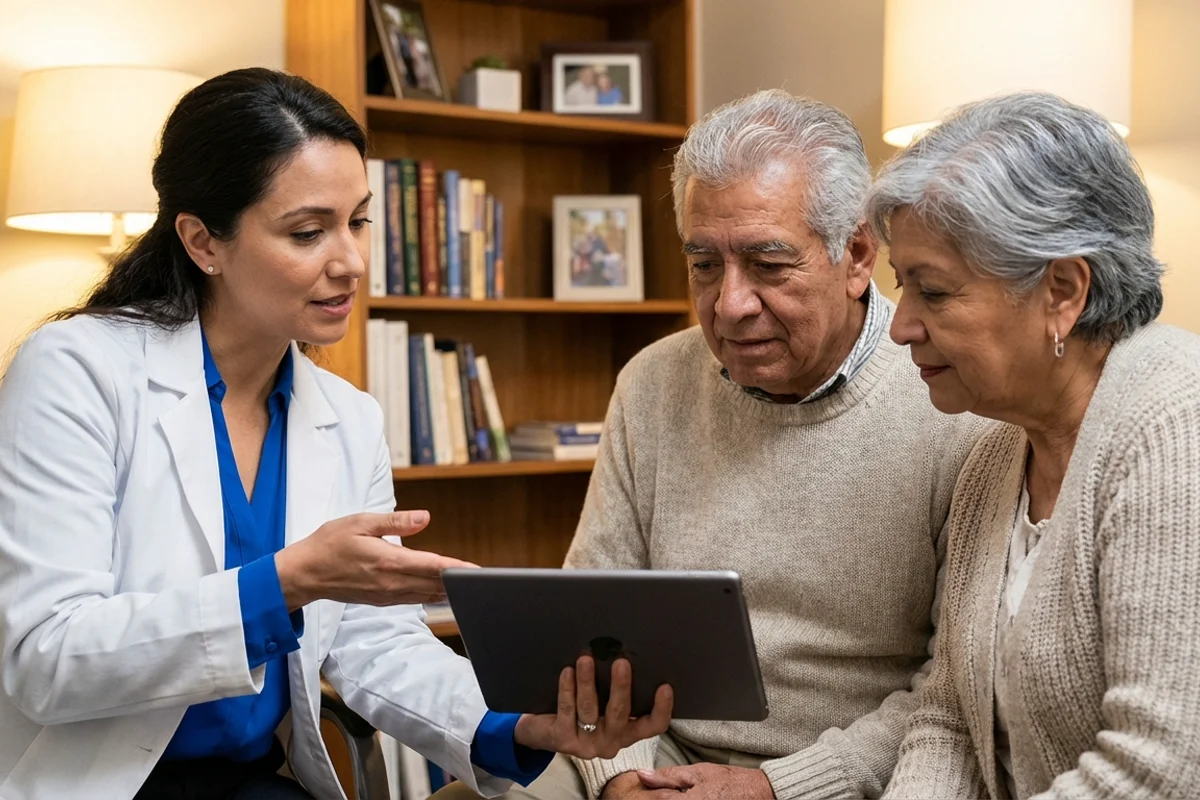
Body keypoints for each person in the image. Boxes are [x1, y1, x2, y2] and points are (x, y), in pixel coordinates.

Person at [0, 68, 671, 800]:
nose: (350, 261)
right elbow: (46, 657)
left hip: (249, 785)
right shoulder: (75, 371)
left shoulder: (348, 416)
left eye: (358, 221)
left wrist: (512, 726)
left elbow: (372, 641)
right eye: (307, 232)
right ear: (202, 241)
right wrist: (286, 583)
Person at [435, 89, 986, 800]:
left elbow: (952, 692)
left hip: (841, 777)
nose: (730, 304)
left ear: (855, 256)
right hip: (649, 754)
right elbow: (586, 635)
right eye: (704, 264)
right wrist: (621, 779)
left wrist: (774, 788)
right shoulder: (653, 382)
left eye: (768, 264)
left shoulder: (952, 400)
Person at [867, 92, 1200, 799]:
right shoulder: (994, 459)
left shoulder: (1175, 429)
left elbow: (1161, 769)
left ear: (1062, 291)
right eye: (903, 287)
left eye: (934, 292)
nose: (900, 326)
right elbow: (949, 721)